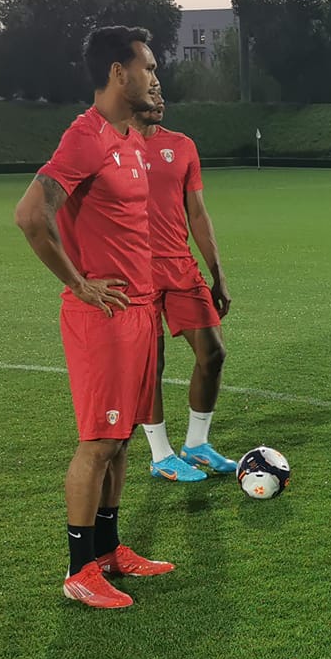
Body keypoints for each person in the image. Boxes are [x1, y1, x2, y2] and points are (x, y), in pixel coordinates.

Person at [12, 26, 174, 610]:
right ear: (117, 72)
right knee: (97, 443)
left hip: (137, 313)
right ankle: (79, 570)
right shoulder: (85, 137)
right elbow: (31, 215)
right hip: (100, 318)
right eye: (147, 66)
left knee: (122, 439)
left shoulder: (129, 138)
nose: (155, 77)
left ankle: (108, 552)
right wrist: (78, 285)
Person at [129, 91, 239, 478]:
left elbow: (197, 212)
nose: (159, 98)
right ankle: (161, 455)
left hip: (179, 266)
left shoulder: (182, 146)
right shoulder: (110, 145)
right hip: (132, 272)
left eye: (161, 93)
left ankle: (196, 445)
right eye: (150, 91)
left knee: (213, 352)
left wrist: (217, 272)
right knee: (149, 364)